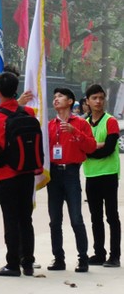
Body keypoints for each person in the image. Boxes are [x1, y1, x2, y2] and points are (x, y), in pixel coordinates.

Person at [0, 70, 40, 277]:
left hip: (7, 176)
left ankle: (13, 263)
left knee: (11, 218)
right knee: (26, 218)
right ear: (16, 90)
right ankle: (28, 262)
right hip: (27, 172)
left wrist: (0, 167)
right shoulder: (29, 114)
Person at [46, 88, 97, 273]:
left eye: (60, 96)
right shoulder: (50, 125)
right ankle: (58, 258)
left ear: (70, 101)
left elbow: (90, 147)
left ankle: (83, 258)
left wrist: (74, 132)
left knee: (76, 218)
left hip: (71, 174)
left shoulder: (81, 124)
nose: (56, 100)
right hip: (54, 175)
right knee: (54, 220)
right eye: (54, 97)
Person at [83, 84, 121, 268]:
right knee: (95, 216)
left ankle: (115, 256)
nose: (99, 101)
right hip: (91, 174)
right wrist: (92, 147)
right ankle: (99, 253)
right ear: (87, 101)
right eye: (94, 98)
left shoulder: (110, 121)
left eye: (101, 97)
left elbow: (107, 149)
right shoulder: (84, 123)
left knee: (111, 216)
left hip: (109, 174)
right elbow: (80, 146)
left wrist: (89, 149)